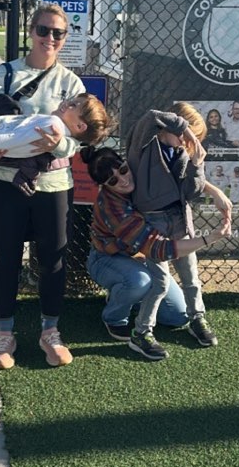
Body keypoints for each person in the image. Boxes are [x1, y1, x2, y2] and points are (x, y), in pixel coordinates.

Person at [0, 3, 87, 371]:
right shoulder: (5, 74)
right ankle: (4, 335)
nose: (50, 39)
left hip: (54, 184)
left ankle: (50, 331)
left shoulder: (71, 83)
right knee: (6, 258)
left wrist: (58, 144)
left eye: (58, 33)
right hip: (6, 181)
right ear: (30, 31)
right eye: (43, 31)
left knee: (53, 260)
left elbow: (82, 138)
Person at [85, 146, 230, 360]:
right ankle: (115, 316)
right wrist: (208, 239)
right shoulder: (111, 205)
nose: (123, 180)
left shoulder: (138, 174)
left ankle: (129, 296)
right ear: (105, 186)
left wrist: (214, 191)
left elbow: (175, 180)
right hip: (109, 258)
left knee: (178, 316)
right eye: (113, 181)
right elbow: (158, 248)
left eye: (122, 170)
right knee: (141, 282)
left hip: (142, 256)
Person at [125, 105, 232, 358]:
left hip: (180, 220)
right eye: (185, 134)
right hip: (153, 223)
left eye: (192, 137)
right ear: (172, 126)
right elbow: (151, 115)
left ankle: (197, 318)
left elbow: (191, 192)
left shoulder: (181, 153)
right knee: (160, 282)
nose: (187, 141)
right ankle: (141, 332)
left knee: (191, 276)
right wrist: (187, 132)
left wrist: (197, 164)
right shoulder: (145, 143)